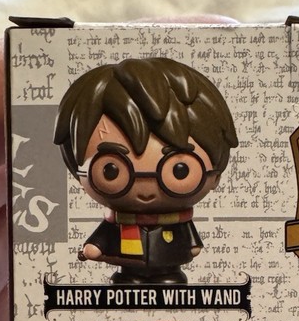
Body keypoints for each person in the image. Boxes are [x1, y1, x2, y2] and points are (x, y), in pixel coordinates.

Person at [54, 55, 238, 284]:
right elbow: (103, 238)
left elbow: (191, 242)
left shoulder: (177, 220)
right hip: (127, 273)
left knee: (171, 287)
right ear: (79, 174)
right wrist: (95, 247)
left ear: (215, 176)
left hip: (170, 272)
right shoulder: (119, 220)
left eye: (179, 170)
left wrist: (193, 246)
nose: (145, 189)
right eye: (111, 170)